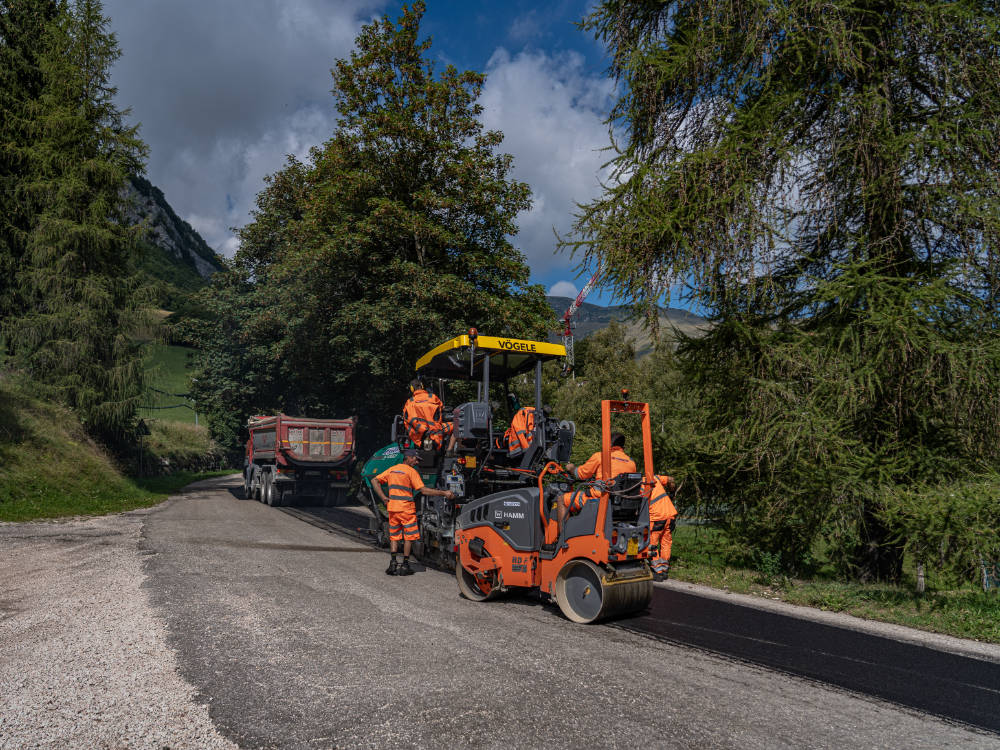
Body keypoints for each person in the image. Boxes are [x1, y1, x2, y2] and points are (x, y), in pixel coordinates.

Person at [371, 448, 455, 575]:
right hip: (406, 510)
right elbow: (424, 491)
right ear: (408, 458)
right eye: (415, 459)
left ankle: (393, 563)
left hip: (393, 508)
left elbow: (374, 480)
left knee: (394, 536)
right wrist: (444, 493)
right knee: (408, 537)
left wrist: (383, 497)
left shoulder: (392, 469)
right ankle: (405, 565)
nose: (416, 462)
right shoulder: (411, 472)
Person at [546, 432, 637, 547]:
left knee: (561, 500)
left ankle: (563, 539)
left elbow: (580, 474)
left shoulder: (600, 456)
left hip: (599, 499)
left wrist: (571, 468)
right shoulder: (631, 462)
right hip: (620, 503)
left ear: (609, 443)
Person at [403, 379, 453, 451]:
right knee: (457, 425)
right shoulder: (432, 397)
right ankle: (450, 450)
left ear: (412, 388)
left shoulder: (409, 402)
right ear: (422, 386)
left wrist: (425, 430)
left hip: (419, 437)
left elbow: (408, 420)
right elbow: (442, 408)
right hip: (436, 433)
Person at [648, 474, 678, 581]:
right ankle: (664, 570)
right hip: (670, 515)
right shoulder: (655, 478)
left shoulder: (639, 485)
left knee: (652, 544)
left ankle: (657, 572)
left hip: (657, 517)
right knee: (666, 543)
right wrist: (672, 493)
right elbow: (671, 479)